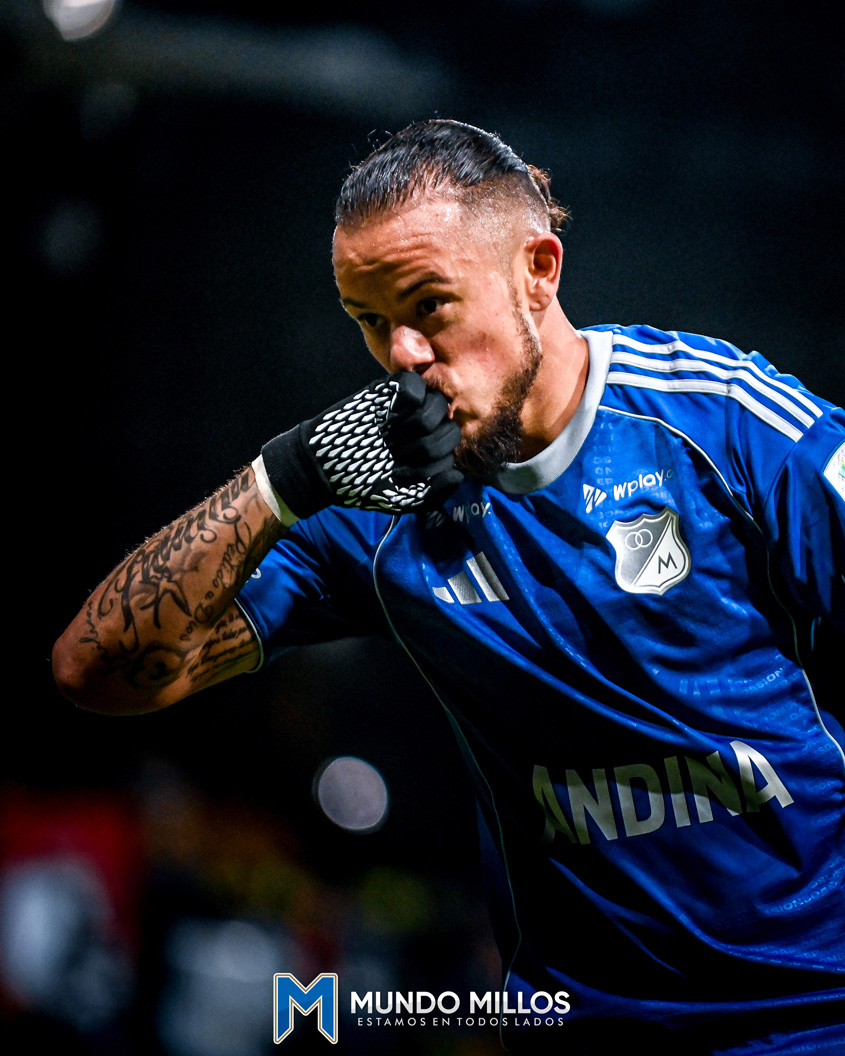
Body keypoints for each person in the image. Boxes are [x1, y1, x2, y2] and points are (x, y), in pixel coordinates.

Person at [52, 119, 844, 1055]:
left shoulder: (725, 427)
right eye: (367, 319)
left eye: (429, 304)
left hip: (813, 1017)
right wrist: (281, 481)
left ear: (536, 271)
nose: (401, 355)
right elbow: (95, 671)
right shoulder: (375, 513)